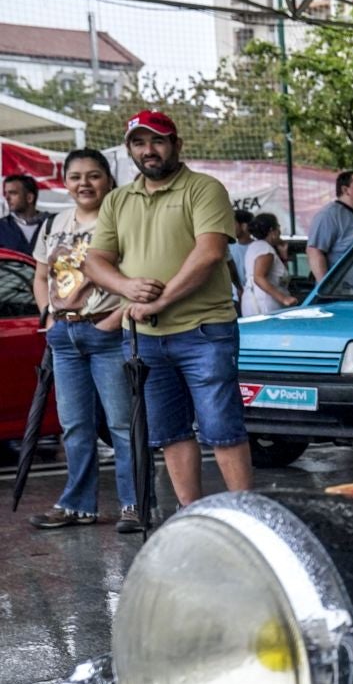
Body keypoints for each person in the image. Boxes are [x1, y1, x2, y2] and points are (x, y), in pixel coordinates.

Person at [82, 110, 252, 507]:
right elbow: (94, 261)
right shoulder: (118, 200)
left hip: (204, 331)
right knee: (170, 433)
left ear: (176, 144)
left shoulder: (203, 188)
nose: (149, 150)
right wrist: (127, 287)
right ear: (130, 151)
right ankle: (190, 516)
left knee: (222, 429)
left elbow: (210, 253)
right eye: (139, 143)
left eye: (157, 141)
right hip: (145, 338)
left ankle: (248, 516)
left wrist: (159, 300)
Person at [28, 150, 138, 533]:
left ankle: (134, 504)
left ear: (108, 180)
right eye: (75, 177)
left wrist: (115, 319)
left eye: (93, 176)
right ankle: (78, 505)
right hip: (65, 336)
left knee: (123, 425)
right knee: (74, 425)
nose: (84, 184)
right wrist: (50, 315)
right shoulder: (55, 222)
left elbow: (141, 274)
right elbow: (41, 275)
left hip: (107, 333)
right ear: (65, 182)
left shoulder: (122, 219)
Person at [306, 170, 353, 279]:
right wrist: (325, 288)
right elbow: (314, 252)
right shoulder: (328, 215)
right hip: (349, 291)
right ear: (345, 190)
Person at [238, 211, 296, 317]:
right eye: (278, 228)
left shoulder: (255, 246)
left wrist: (284, 256)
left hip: (255, 302)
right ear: (272, 231)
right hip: (264, 304)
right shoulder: (265, 249)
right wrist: (284, 299)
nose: (280, 232)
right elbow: (259, 277)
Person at [0, 174, 52, 255]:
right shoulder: (2, 227)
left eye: (13, 193)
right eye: (6, 193)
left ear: (29, 198)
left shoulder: (54, 225)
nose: (7, 198)